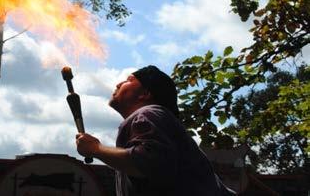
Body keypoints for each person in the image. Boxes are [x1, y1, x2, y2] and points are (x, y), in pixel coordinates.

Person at [75, 65, 235, 195]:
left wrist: (96, 149)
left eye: (128, 80)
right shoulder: (152, 118)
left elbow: (149, 162)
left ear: (145, 94)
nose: (118, 84)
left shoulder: (149, 113)